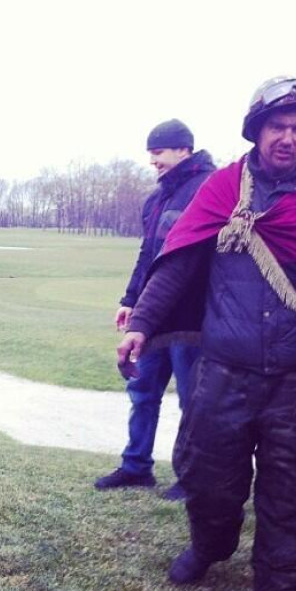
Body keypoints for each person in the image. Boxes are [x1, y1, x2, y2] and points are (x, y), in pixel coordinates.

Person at [116, 77, 296, 591]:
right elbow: (175, 265)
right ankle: (209, 546)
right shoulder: (224, 188)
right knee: (209, 477)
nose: (288, 137)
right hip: (224, 367)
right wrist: (141, 326)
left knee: (288, 494)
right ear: (257, 131)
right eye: (278, 126)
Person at [95, 120, 215, 498]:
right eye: (150, 153)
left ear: (184, 150)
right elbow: (148, 256)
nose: (153, 161)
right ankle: (136, 467)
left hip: (192, 318)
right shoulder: (158, 197)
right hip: (152, 318)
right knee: (143, 391)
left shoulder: (210, 189)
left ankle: (193, 479)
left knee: (193, 402)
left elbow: (199, 260)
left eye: (158, 152)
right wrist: (131, 301)